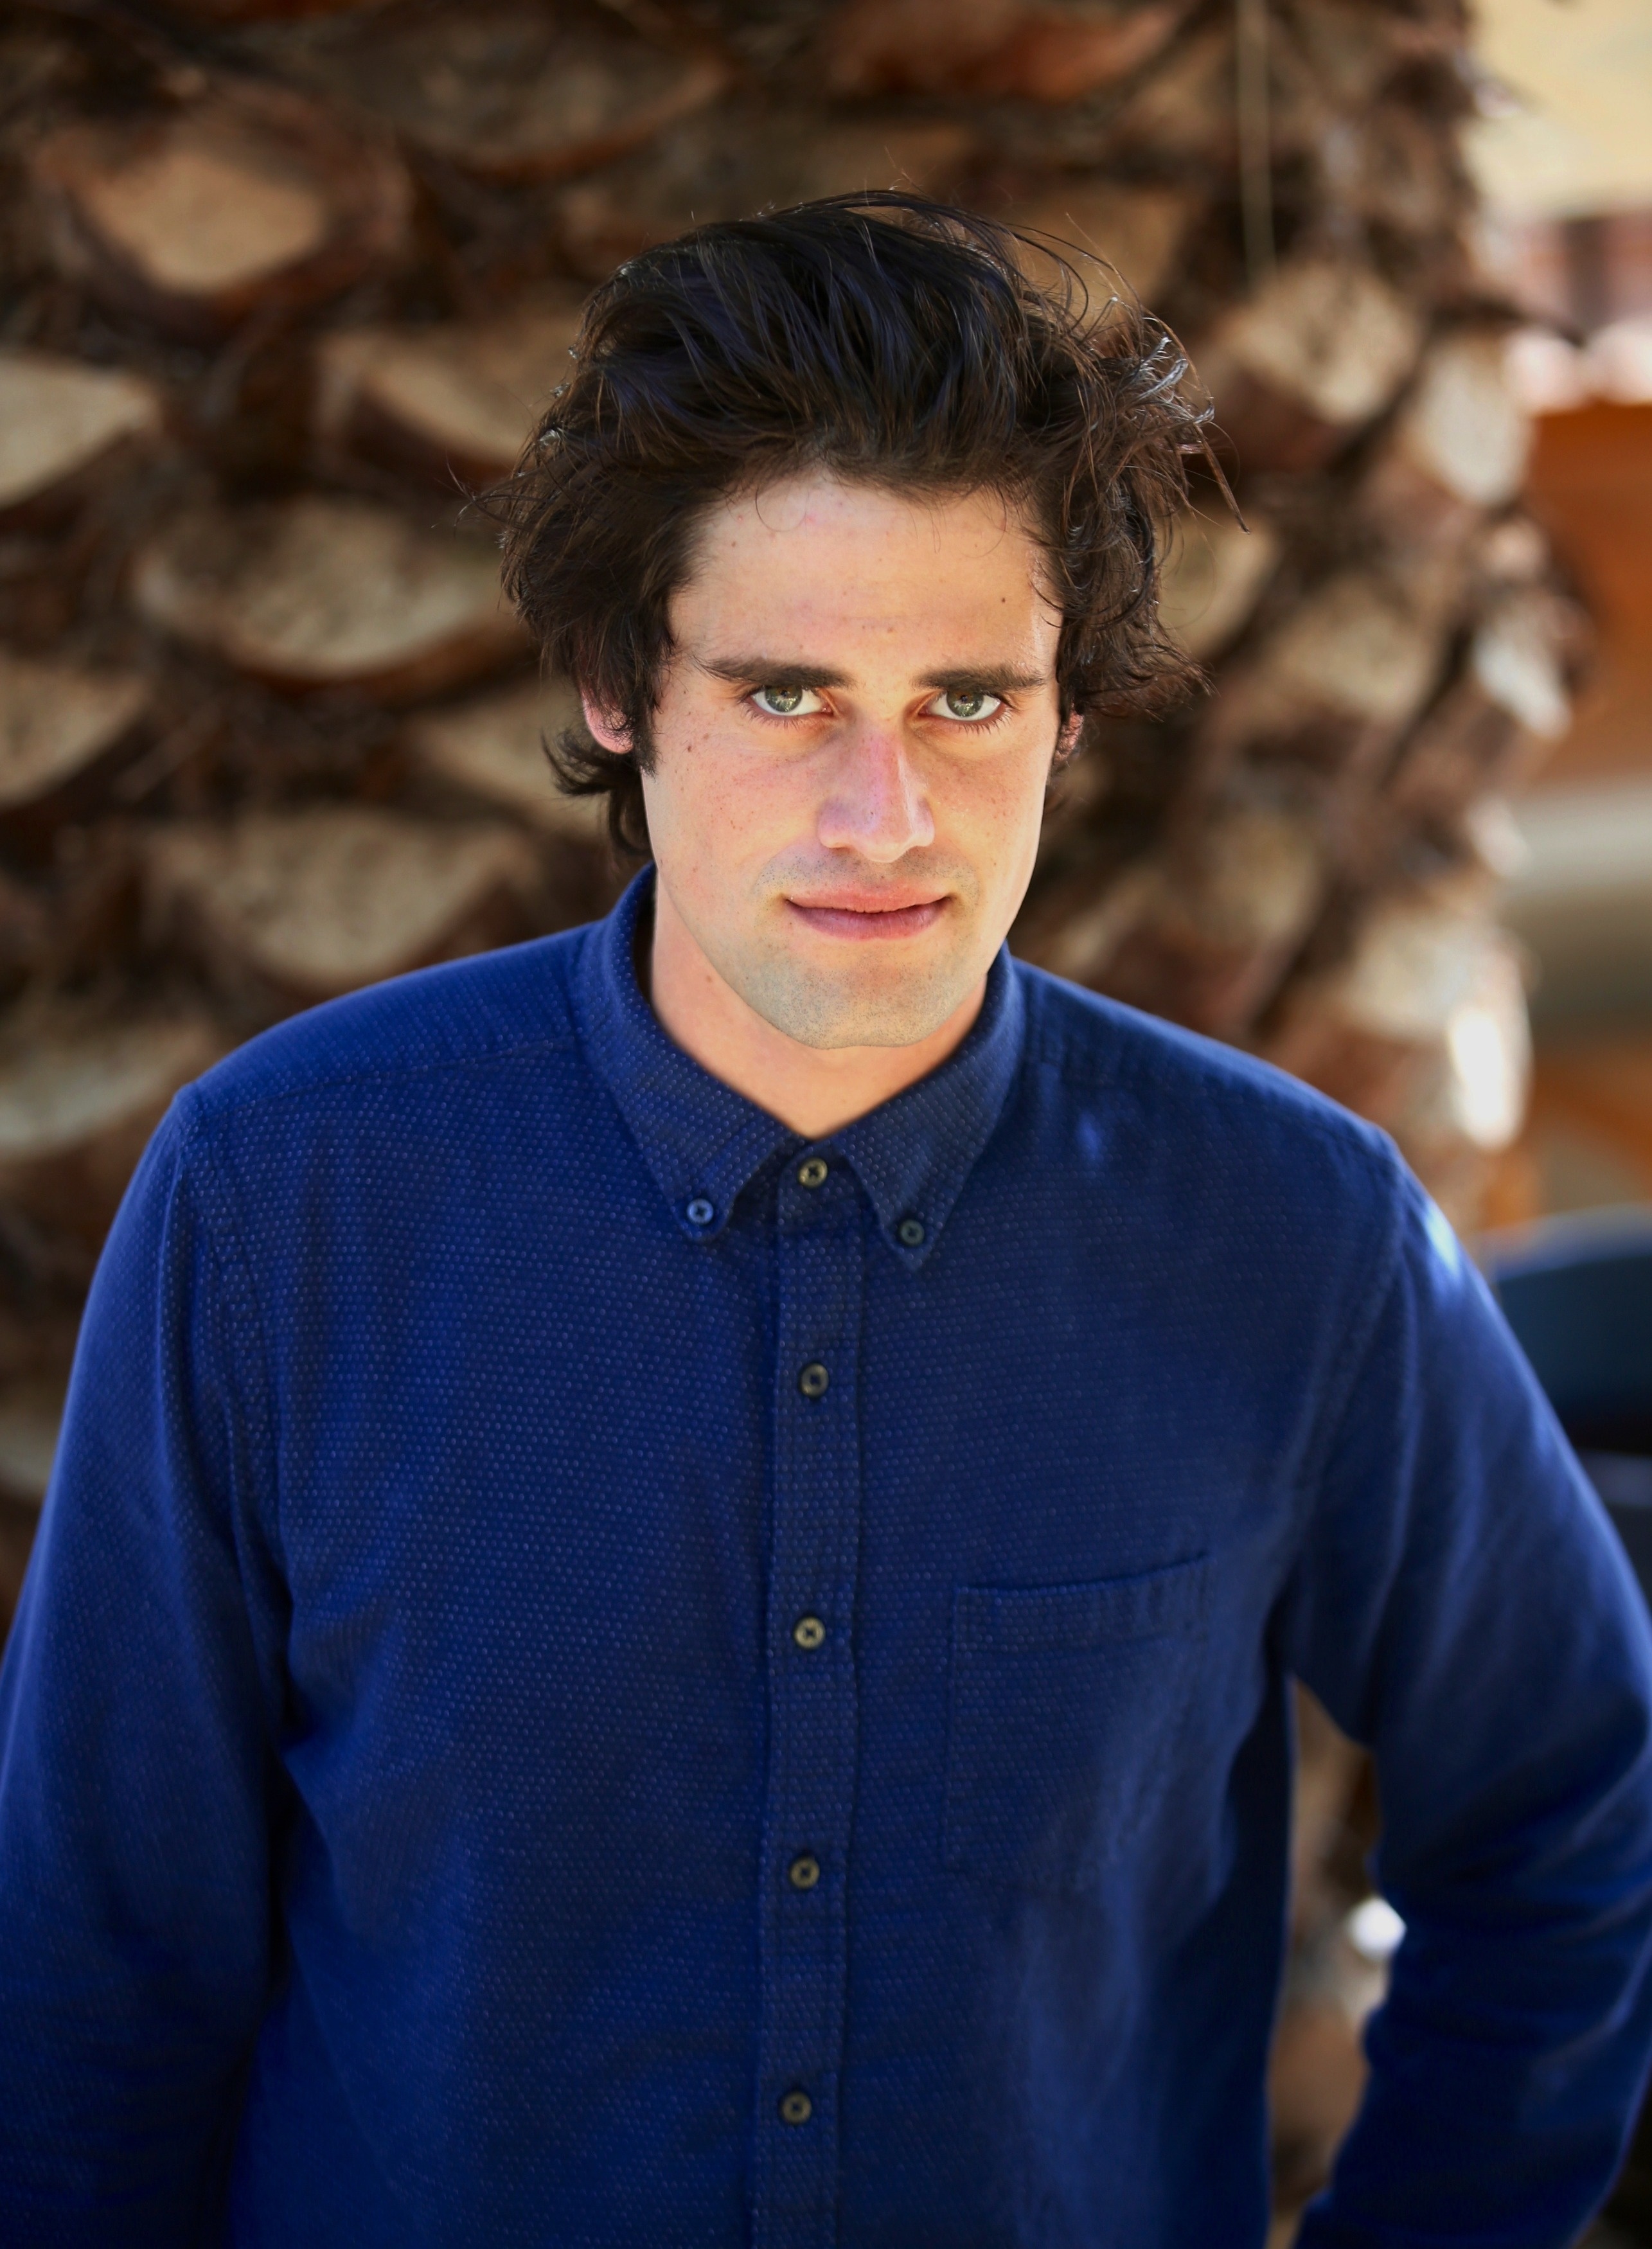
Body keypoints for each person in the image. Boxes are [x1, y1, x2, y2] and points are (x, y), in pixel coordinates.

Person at [1, 194, 1649, 2249]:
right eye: (788, 697)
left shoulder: (1287, 1233)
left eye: (965, 699)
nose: (886, 816)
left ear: (1066, 712)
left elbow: (1579, 1803)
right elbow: (91, 1965)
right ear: (622, 689)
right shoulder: (280, 1201)